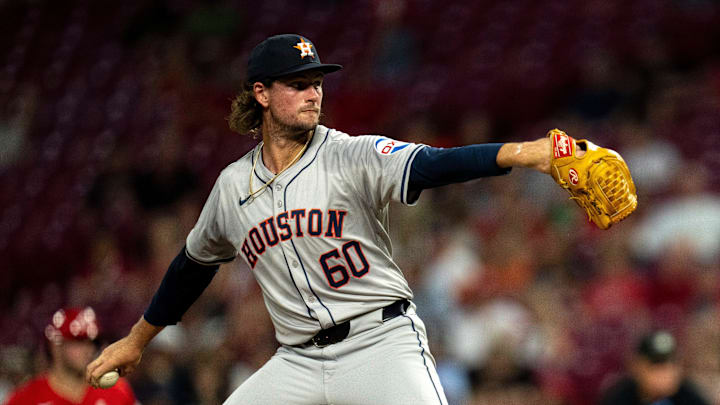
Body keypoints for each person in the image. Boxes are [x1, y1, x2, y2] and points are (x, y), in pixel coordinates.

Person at [86, 34, 555, 405]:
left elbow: (435, 164)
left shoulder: (350, 154)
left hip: (381, 342)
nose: (313, 93)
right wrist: (137, 339)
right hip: (297, 361)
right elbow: (193, 266)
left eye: (317, 82)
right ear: (262, 94)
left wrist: (527, 153)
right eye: (298, 84)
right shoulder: (232, 187)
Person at [5, 307, 137, 405]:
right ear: (55, 346)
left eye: (91, 343)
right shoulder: (26, 398)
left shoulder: (117, 391)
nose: (88, 350)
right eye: (79, 342)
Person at [598, 330, 711, 405]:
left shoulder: (690, 397)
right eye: (656, 366)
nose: (665, 374)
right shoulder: (619, 398)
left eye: (671, 365)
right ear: (638, 367)